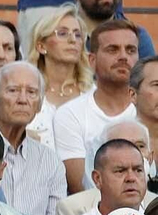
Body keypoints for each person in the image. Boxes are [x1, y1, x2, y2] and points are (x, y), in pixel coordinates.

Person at [54, 19, 139, 192]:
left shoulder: (150, 110)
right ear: (92, 60)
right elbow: (81, 188)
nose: (123, 56)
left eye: (131, 50)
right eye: (112, 49)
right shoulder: (70, 114)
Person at [0, 61, 66, 215]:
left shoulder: (50, 160)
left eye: (31, 92)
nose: (22, 100)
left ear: (39, 104)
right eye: (13, 90)